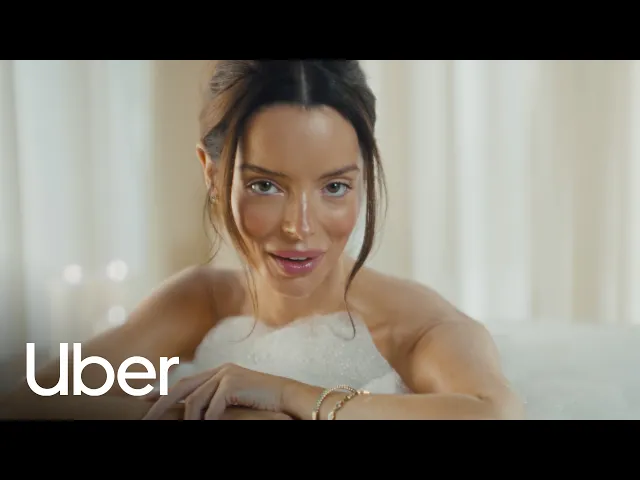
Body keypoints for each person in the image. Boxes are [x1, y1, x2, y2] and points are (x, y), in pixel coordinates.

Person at [0, 60, 524, 420]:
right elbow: (34, 394)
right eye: (265, 186)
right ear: (211, 173)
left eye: (334, 187)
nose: (299, 226)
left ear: (363, 176)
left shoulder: (412, 324)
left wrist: (288, 395)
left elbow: (495, 414)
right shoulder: (202, 301)